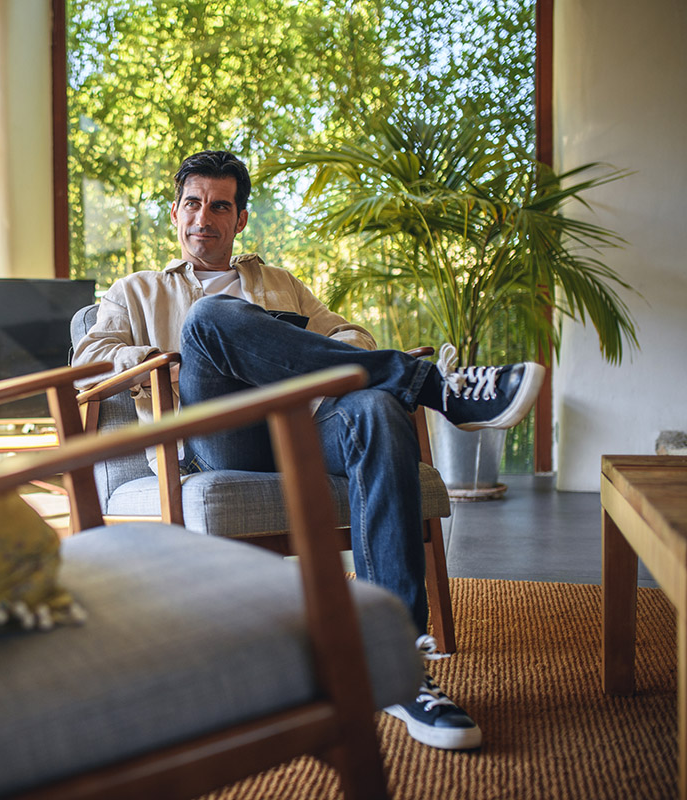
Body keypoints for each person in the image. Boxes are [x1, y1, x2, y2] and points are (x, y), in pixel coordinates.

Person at [72, 150, 546, 751]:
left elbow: (352, 336)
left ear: (240, 218)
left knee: (375, 407)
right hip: (219, 440)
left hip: (304, 432)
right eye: (193, 203)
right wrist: (142, 362)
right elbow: (87, 365)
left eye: (220, 205)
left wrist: (300, 345)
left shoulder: (280, 284)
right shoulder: (137, 291)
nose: (203, 218)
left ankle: (398, 665)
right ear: (175, 212)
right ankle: (435, 388)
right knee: (209, 320)